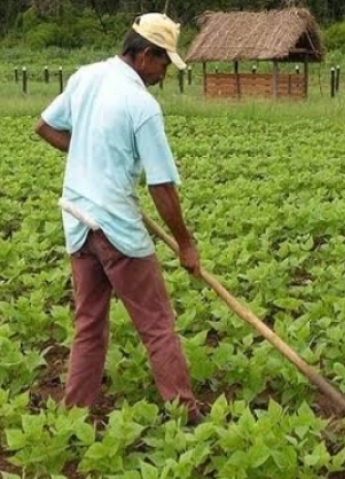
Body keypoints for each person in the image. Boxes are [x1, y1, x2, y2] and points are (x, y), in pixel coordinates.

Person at [34, 12, 203, 425]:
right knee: (157, 324)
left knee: (88, 324)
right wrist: (185, 243)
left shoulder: (86, 77)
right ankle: (186, 415)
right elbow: (161, 185)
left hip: (77, 220)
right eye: (164, 63)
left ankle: (74, 416)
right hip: (117, 227)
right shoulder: (142, 104)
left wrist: (92, 159)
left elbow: (45, 126)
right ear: (145, 55)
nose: (165, 73)